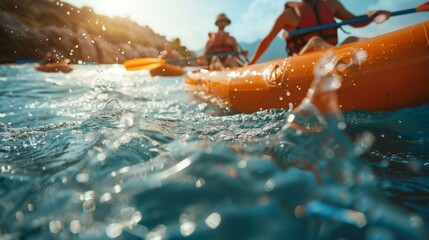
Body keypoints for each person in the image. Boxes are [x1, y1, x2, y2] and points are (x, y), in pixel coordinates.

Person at [249, 0, 391, 64]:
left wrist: (371, 16)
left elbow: (355, 21)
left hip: (331, 54)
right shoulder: (288, 14)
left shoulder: (331, 4)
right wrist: (252, 62)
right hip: (302, 61)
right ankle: (342, 61)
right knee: (315, 41)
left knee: (353, 40)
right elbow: (268, 39)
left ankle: (383, 53)